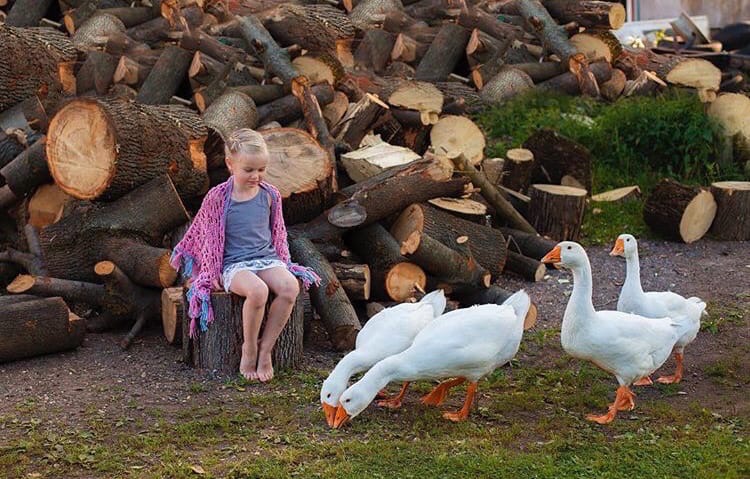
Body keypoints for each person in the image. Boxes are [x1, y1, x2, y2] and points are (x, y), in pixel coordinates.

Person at [171, 129, 320, 382]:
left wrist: (284, 263)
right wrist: (209, 272)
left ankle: (266, 348)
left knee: (289, 287)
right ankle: (249, 347)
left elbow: (278, 233)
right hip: (233, 265)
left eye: (261, 169)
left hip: (266, 258)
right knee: (258, 291)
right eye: (249, 170)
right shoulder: (218, 198)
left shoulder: (270, 194)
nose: (256, 176)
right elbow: (207, 238)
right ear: (230, 164)